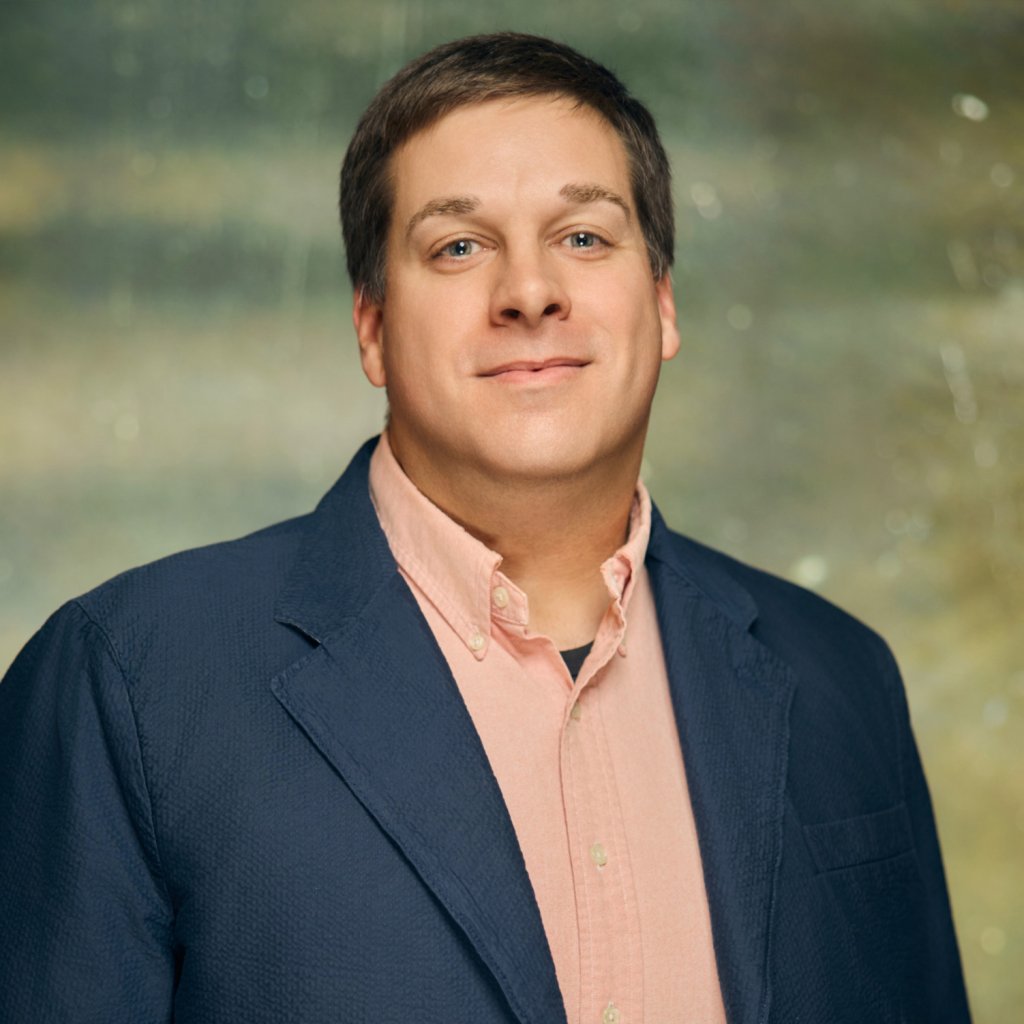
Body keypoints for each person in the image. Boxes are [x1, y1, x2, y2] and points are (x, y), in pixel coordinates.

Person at [0, 32, 970, 1024]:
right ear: (372, 327)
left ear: (664, 304)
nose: (529, 291)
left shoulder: (840, 677)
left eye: (584, 237)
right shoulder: (128, 681)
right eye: (457, 246)